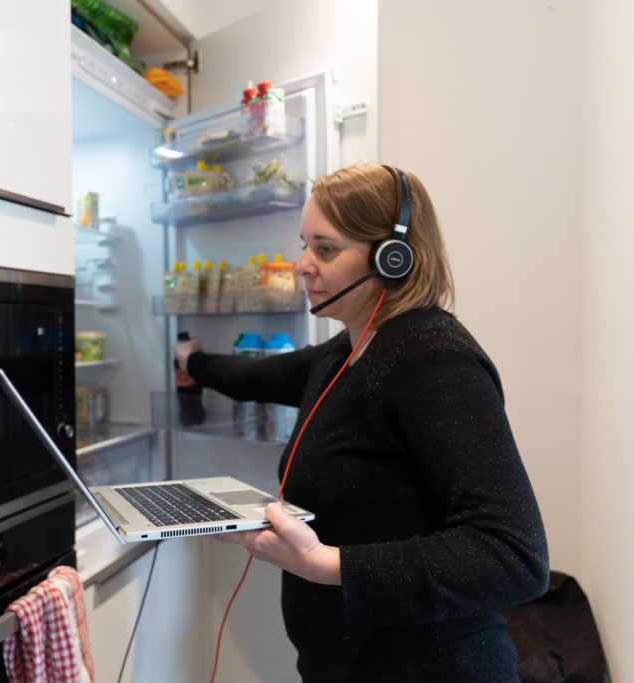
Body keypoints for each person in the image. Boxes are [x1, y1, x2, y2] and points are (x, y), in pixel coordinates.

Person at [173, 162, 549, 682]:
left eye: (326, 249)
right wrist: (193, 362)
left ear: (393, 259)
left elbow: (513, 555)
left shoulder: (431, 359)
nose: (302, 265)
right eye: (304, 243)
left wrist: (327, 565)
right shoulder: (347, 350)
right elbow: (260, 375)